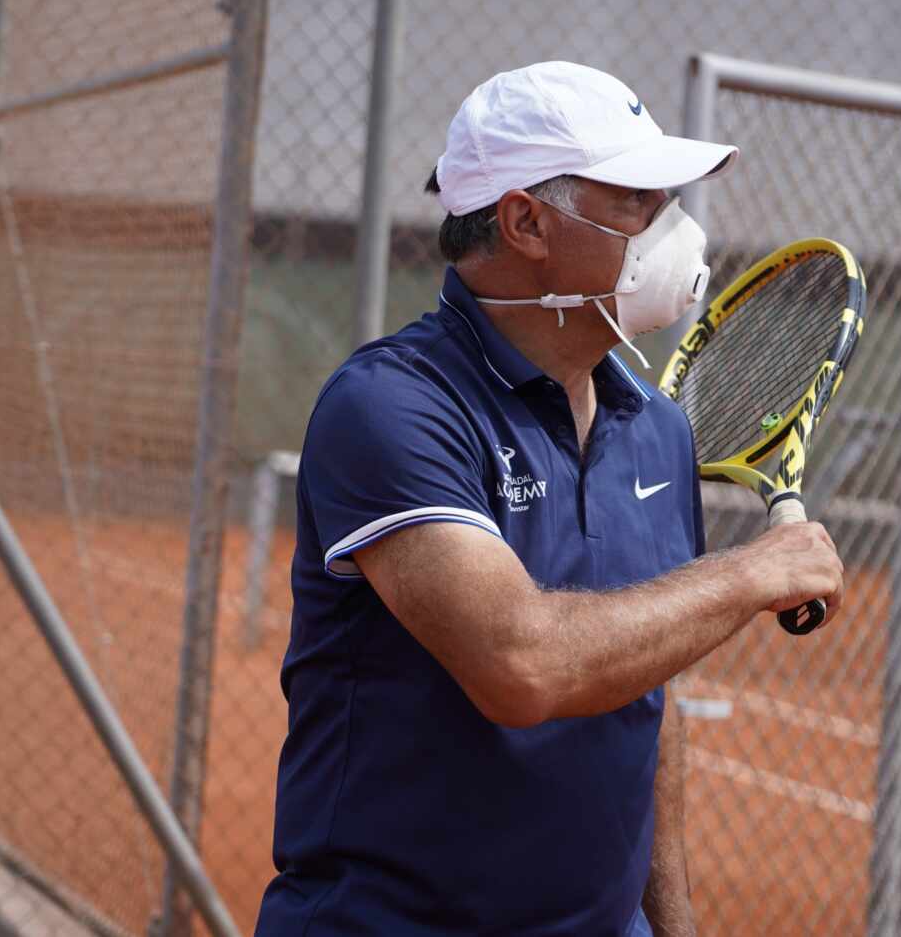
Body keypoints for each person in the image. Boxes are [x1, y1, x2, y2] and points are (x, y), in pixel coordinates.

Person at [254, 61, 846, 937]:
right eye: (635, 202)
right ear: (526, 220)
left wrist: (671, 927)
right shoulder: (393, 405)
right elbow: (521, 668)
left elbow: (645, 695)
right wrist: (748, 575)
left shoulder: (656, 428)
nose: (671, 230)